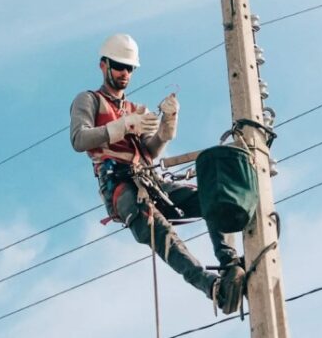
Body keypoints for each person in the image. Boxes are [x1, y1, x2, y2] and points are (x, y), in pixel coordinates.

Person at [69, 33, 244, 314]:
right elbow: (79, 139)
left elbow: (150, 151)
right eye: (119, 66)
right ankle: (212, 287)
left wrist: (166, 128)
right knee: (161, 233)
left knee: (213, 197)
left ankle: (230, 263)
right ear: (104, 65)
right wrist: (123, 126)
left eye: (129, 68)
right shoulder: (89, 100)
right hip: (121, 185)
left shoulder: (137, 109)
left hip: (151, 179)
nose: (125, 73)